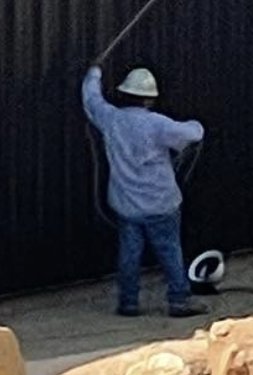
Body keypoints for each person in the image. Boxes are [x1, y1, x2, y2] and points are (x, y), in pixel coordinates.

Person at [81, 64, 207, 319]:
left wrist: (93, 74)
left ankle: (128, 303)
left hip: (126, 204)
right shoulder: (157, 124)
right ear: (149, 98)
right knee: (170, 251)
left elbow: (91, 100)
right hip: (161, 202)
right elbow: (193, 134)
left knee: (129, 254)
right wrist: (196, 124)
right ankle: (179, 301)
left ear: (125, 93)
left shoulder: (112, 119)